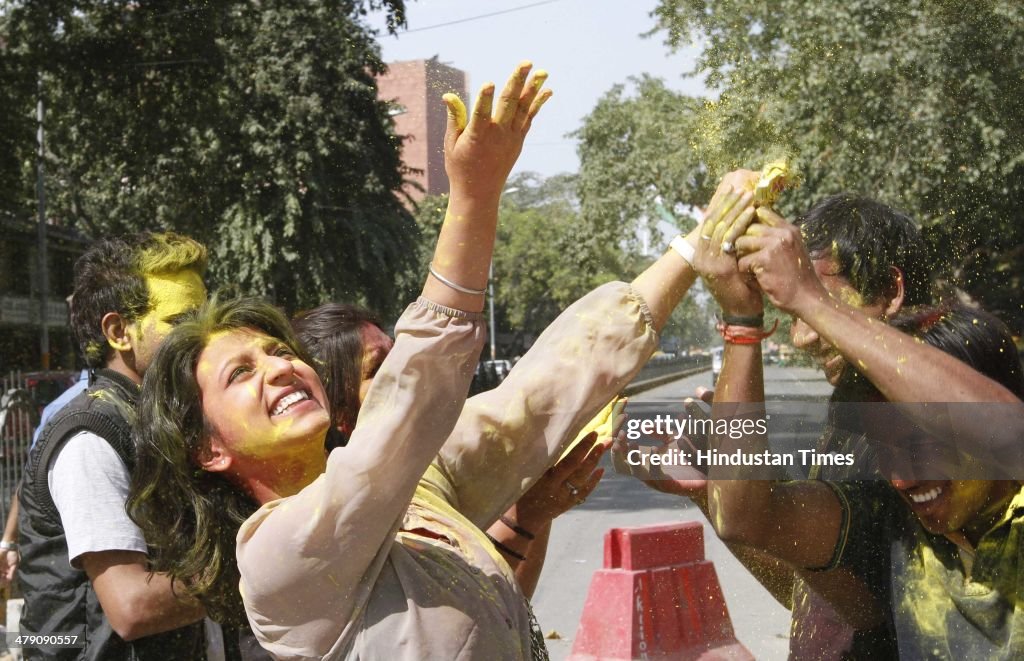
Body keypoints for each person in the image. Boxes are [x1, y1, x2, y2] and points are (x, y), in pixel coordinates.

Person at [127, 61, 715, 659]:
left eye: (278, 351)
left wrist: (697, 245)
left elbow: (540, 387)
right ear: (210, 450)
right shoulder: (275, 555)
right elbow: (412, 400)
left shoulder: (418, 490)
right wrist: (475, 195)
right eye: (240, 373)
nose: (279, 367)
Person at [614, 179, 938, 657]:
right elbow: (815, 594)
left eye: (816, 301)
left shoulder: (921, 427)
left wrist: (742, 322)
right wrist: (710, 487)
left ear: (891, 291)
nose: (802, 338)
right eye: (792, 309)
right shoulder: (851, 410)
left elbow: (753, 518)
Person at [291, 302, 612, 598]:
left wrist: (536, 489)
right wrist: (528, 517)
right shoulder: (344, 518)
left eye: (400, 356)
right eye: (379, 370)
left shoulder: (433, 462)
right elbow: (466, 615)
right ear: (343, 416)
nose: (408, 371)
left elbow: (512, 614)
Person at [17, 232, 210, 659]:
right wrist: (262, 571)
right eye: (182, 322)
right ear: (119, 331)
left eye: (207, 317)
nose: (204, 336)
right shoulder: (91, 437)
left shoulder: (158, 418)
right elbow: (132, 608)